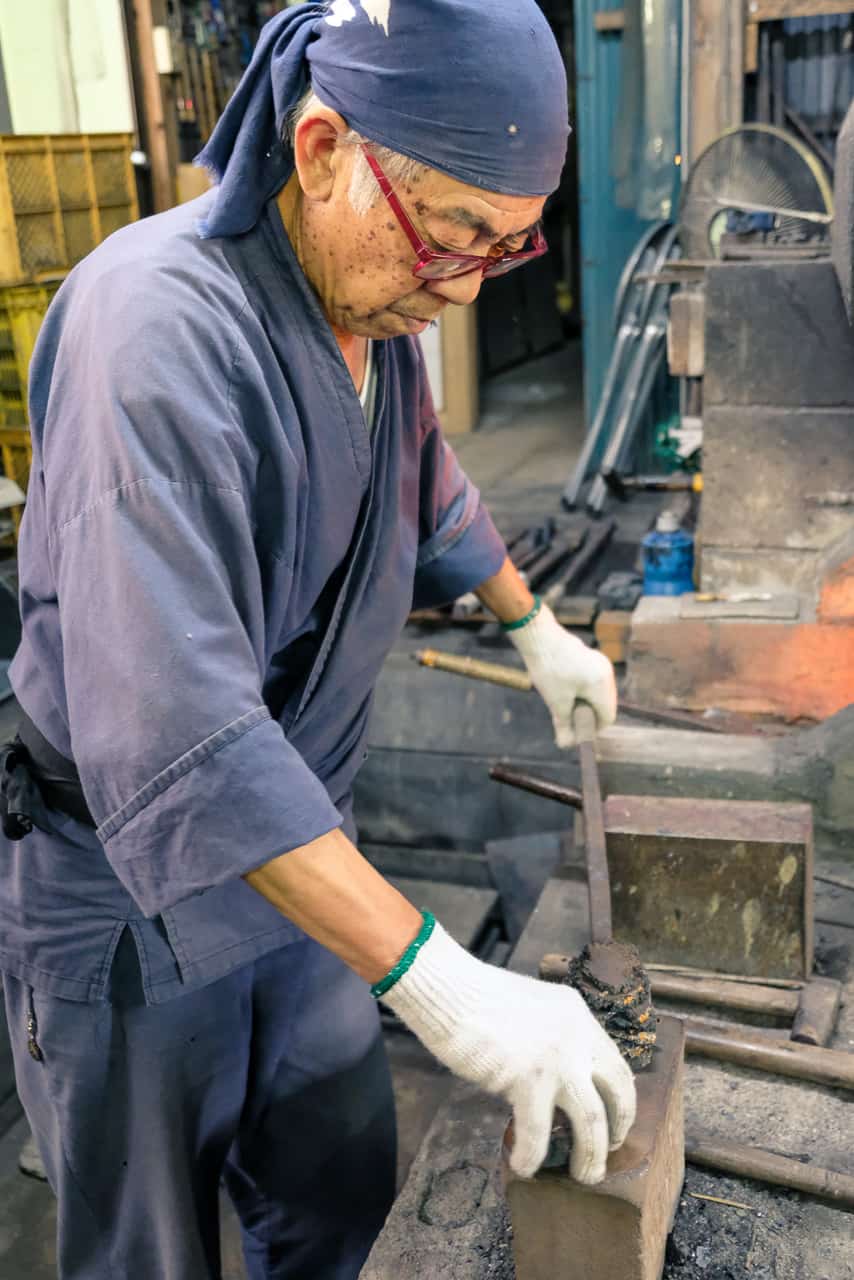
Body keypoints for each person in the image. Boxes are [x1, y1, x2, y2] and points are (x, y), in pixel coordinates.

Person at [0, 3, 635, 1277]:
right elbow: (180, 731)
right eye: (451, 235)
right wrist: (442, 984)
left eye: (503, 251)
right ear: (322, 145)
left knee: (342, 1197)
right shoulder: (158, 334)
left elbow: (424, 480)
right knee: (148, 1247)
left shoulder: (372, 308)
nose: (460, 286)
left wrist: (534, 625)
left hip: (304, 875)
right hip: (140, 894)